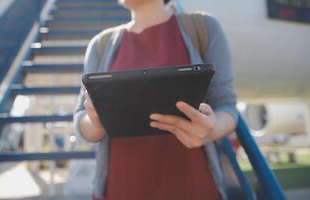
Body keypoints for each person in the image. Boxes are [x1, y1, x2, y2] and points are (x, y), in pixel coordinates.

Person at [74, 0, 238, 199]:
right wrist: (95, 121)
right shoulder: (101, 44)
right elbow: (81, 119)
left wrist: (212, 130)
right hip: (121, 189)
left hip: (193, 186)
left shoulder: (202, 28)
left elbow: (226, 106)